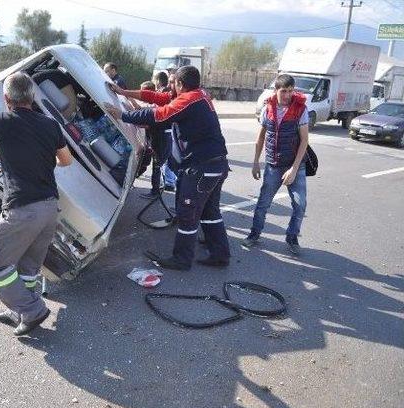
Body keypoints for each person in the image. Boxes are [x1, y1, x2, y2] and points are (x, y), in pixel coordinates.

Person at [0, 72, 73, 335]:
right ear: (32, 97)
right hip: (49, 209)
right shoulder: (50, 125)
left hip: (23, 209)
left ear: (6, 98)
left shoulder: (4, 120)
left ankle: (31, 310)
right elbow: (66, 160)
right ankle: (19, 310)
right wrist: (42, 161)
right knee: (27, 268)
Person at [105, 65, 230, 270]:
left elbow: (158, 114)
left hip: (202, 166)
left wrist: (123, 115)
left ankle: (182, 259)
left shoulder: (188, 100)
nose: (170, 87)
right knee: (209, 210)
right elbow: (156, 97)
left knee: (187, 213)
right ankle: (220, 254)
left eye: (173, 82)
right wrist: (124, 92)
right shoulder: (198, 96)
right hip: (216, 164)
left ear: (180, 84)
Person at [241, 74, 309, 255]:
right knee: (263, 203)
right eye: (283, 91)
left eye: (290, 91)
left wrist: (294, 170)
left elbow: (304, 141)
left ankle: (292, 237)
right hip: (273, 165)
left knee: (300, 205)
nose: (287, 95)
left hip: (295, 166)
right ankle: (254, 234)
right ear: (276, 91)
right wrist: (255, 162)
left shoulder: (301, 110)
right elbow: (261, 136)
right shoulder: (267, 109)